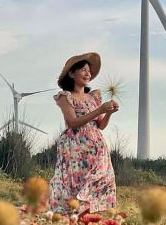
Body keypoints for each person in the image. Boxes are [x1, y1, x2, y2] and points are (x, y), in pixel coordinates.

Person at [49, 52, 118, 215]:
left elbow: (100, 125)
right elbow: (72, 122)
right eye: (83, 70)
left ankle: (87, 215)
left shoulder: (94, 96)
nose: (88, 73)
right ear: (72, 73)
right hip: (76, 148)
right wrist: (100, 109)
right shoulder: (65, 97)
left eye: (89, 71)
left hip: (96, 146)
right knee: (75, 183)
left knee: (102, 177)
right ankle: (74, 217)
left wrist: (108, 112)